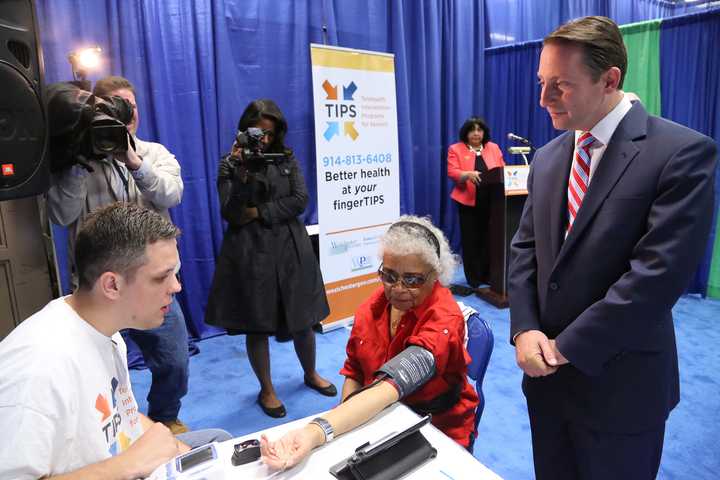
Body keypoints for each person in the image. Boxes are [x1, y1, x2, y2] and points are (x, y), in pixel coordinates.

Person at [508, 16, 717, 480]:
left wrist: (562, 349)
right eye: (542, 83)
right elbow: (525, 250)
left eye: (560, 85)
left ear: (610, 79)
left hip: (621, 389)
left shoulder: (681, 153)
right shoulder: (547, 158)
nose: (543, 99)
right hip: (545, 386)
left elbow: (656, 278)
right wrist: (523, 330)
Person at [0, 203, 231, 480]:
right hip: (117, 469)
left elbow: (120, 416)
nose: (176, 287)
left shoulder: (104, 328)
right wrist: (127, 465)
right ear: (112, 285)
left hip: (120, 463)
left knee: (220, 445)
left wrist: (181, 454)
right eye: (162, 277)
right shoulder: (37, 366)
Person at [260, 216, 479, 470]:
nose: (397, 288)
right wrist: (347, 426)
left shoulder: (445, 319)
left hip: (435, 428)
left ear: (436, 276)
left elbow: (395, 383)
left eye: (412, 280)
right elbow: (354, 369)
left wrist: (316, 431)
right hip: (378, 421)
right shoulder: (372, 308)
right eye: (389, 275)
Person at [46, 75, 191, 434]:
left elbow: (172, 195)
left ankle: (165, 417)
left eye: (131, 106)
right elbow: (60, 215)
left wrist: (134, 161)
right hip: (99, 289)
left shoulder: (153, 152)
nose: (126, 114)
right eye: (114, 106)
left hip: (152, 287)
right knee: (99, 371)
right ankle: (113, 430)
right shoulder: (75, 160)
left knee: (175, 361)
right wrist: (80, 161)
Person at [205, 99, 336, 418]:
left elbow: (300, 200)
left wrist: (259, 211)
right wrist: (240, 175)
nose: (264, 139)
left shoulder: (286, 158)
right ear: (244, 130)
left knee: (304, 317)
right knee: (257, 323)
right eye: (258, 132)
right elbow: (231, 214)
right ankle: (267, 389)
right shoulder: (230, 164)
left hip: (291, 247)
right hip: (251, 252)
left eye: (270, 133)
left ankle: (311, 373)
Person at [447, 117, 505, 288]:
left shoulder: (493, 148)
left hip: (493, 203)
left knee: (491, 239)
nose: (476, 133)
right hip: (468, 202)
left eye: (479, 130)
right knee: (471, 240)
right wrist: (467, 174)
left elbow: (502, 169)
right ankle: (473, 278)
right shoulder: (455, 149)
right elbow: (453, 172)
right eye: (472, 130)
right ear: (466, 133)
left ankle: (488, 275)